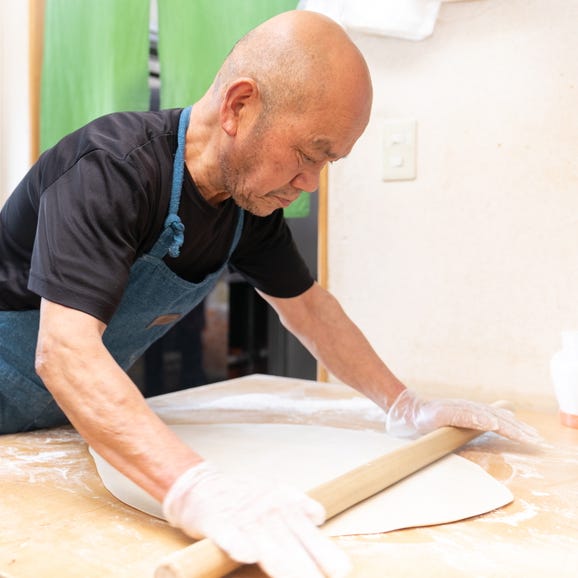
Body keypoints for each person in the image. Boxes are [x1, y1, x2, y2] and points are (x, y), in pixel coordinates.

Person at [0, 10, 539, 578]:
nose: (311, 182)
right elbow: (65, 351)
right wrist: (196, 488)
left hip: (58, 423)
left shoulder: (245, 209)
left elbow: (310, 309)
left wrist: (404, 404)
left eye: (329, 162)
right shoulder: (111, 170)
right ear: (239, 106)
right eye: (310, 153)